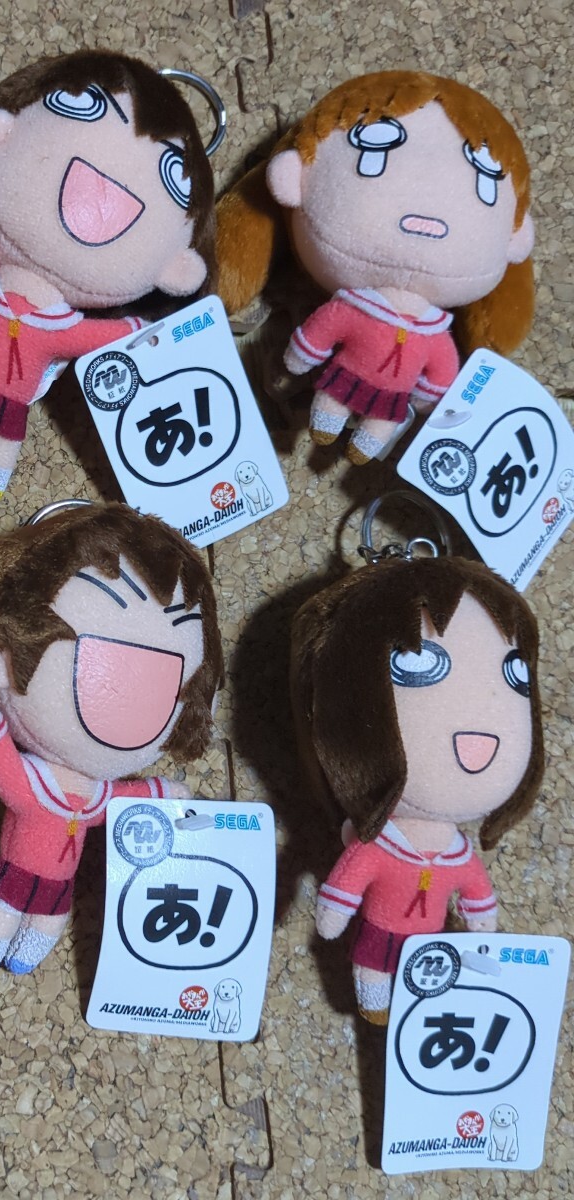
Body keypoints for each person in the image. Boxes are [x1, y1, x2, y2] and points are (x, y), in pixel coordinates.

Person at [0, 503, 224, 980]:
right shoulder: (38, 786)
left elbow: (123, 799)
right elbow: (9, 777)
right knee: (0, 910)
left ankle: (21, 956)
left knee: (48, 918)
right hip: (13, 874)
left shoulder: (96, 796)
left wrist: (161, 793)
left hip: (62, 887)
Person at [0, 51, 218, 503]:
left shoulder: (50, 324)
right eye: (81, 106)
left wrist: (136, 330)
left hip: (12, 406)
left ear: (176, 267)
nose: (102, 190)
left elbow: (92, 336)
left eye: (173, 177)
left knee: (4, 437)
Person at [216, 71, 534, 464]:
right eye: (373, 152)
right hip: (342, 379)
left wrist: (429, 397)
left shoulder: (430, 330)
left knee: (381, 421)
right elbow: (327, 327)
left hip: (393, 400)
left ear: (516, 237)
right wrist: (301, 355)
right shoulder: (357, 308)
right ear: (292, 177)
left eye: (485, 179)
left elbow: (441, 368)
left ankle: (363, 443)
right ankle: (330, 423)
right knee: (332, 401)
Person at [291, 556, 544, 1023]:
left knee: (426, 995)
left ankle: (405, 1012)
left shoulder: (457, 852)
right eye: (417, 664)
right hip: (380, 932)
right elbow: (348, 883)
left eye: (517, 675)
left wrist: (480, 917)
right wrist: (335, 911)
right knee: (373, 968)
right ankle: (376, 1006)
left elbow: (475, 888)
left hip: (433, 943)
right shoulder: (379, 845)